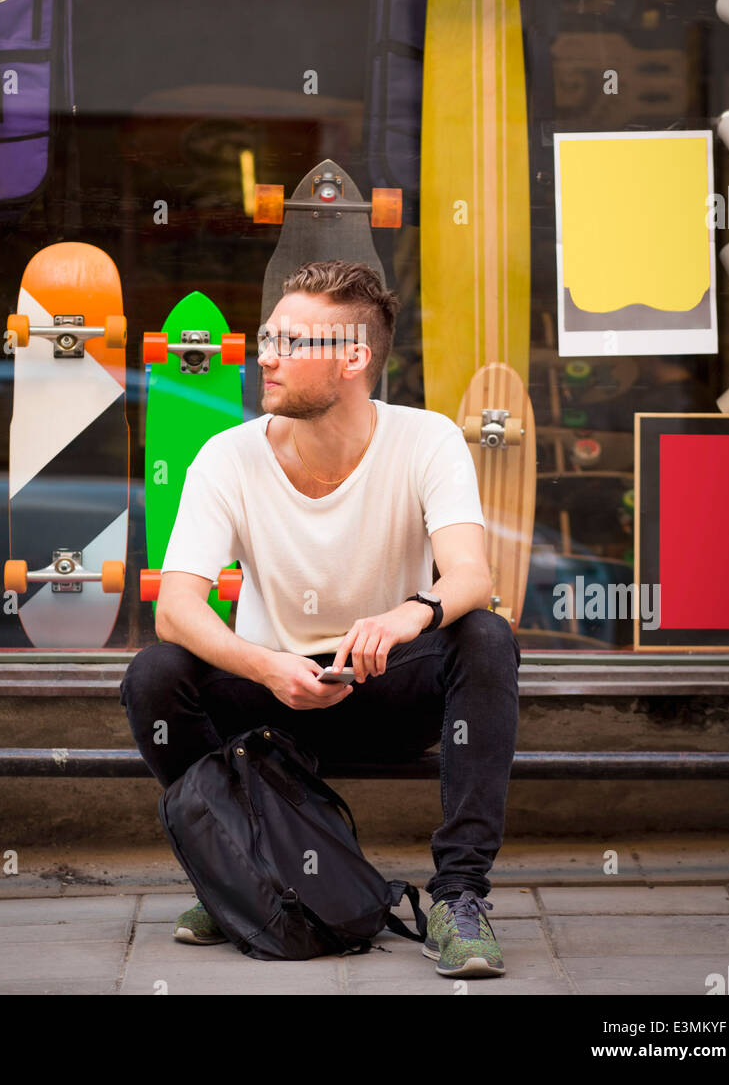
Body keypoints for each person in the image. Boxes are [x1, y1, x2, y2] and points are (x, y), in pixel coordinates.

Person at [120, 258, 521, 978]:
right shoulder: (228, 456)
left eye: (292, 343)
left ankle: (458, 897)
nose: (264, 355)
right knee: (155, 674)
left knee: (486, 637)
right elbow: (177, 609)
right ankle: (238, 871)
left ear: (353, 359)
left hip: (384, 689)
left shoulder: (427, 439)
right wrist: (268, 666)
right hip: (271, 703)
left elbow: (471, 575)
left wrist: (409, 615)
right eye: (267, 336)